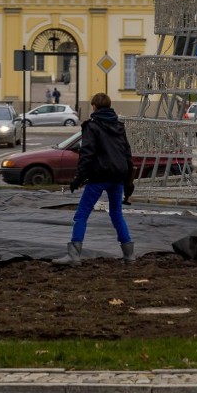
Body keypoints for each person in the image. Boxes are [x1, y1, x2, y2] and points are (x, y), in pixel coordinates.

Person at [65, 92, 134, 264]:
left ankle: (74, 255)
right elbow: (127, 154)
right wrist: (128, 182)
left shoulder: (92, 126)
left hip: (99, 176)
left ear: (94, 107)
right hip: (118, 175)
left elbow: (87, 154)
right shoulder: (119, 126)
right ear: (110, 107)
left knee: (82, 214)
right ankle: (129, 255)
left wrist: (78, 178)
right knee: (117, 214)